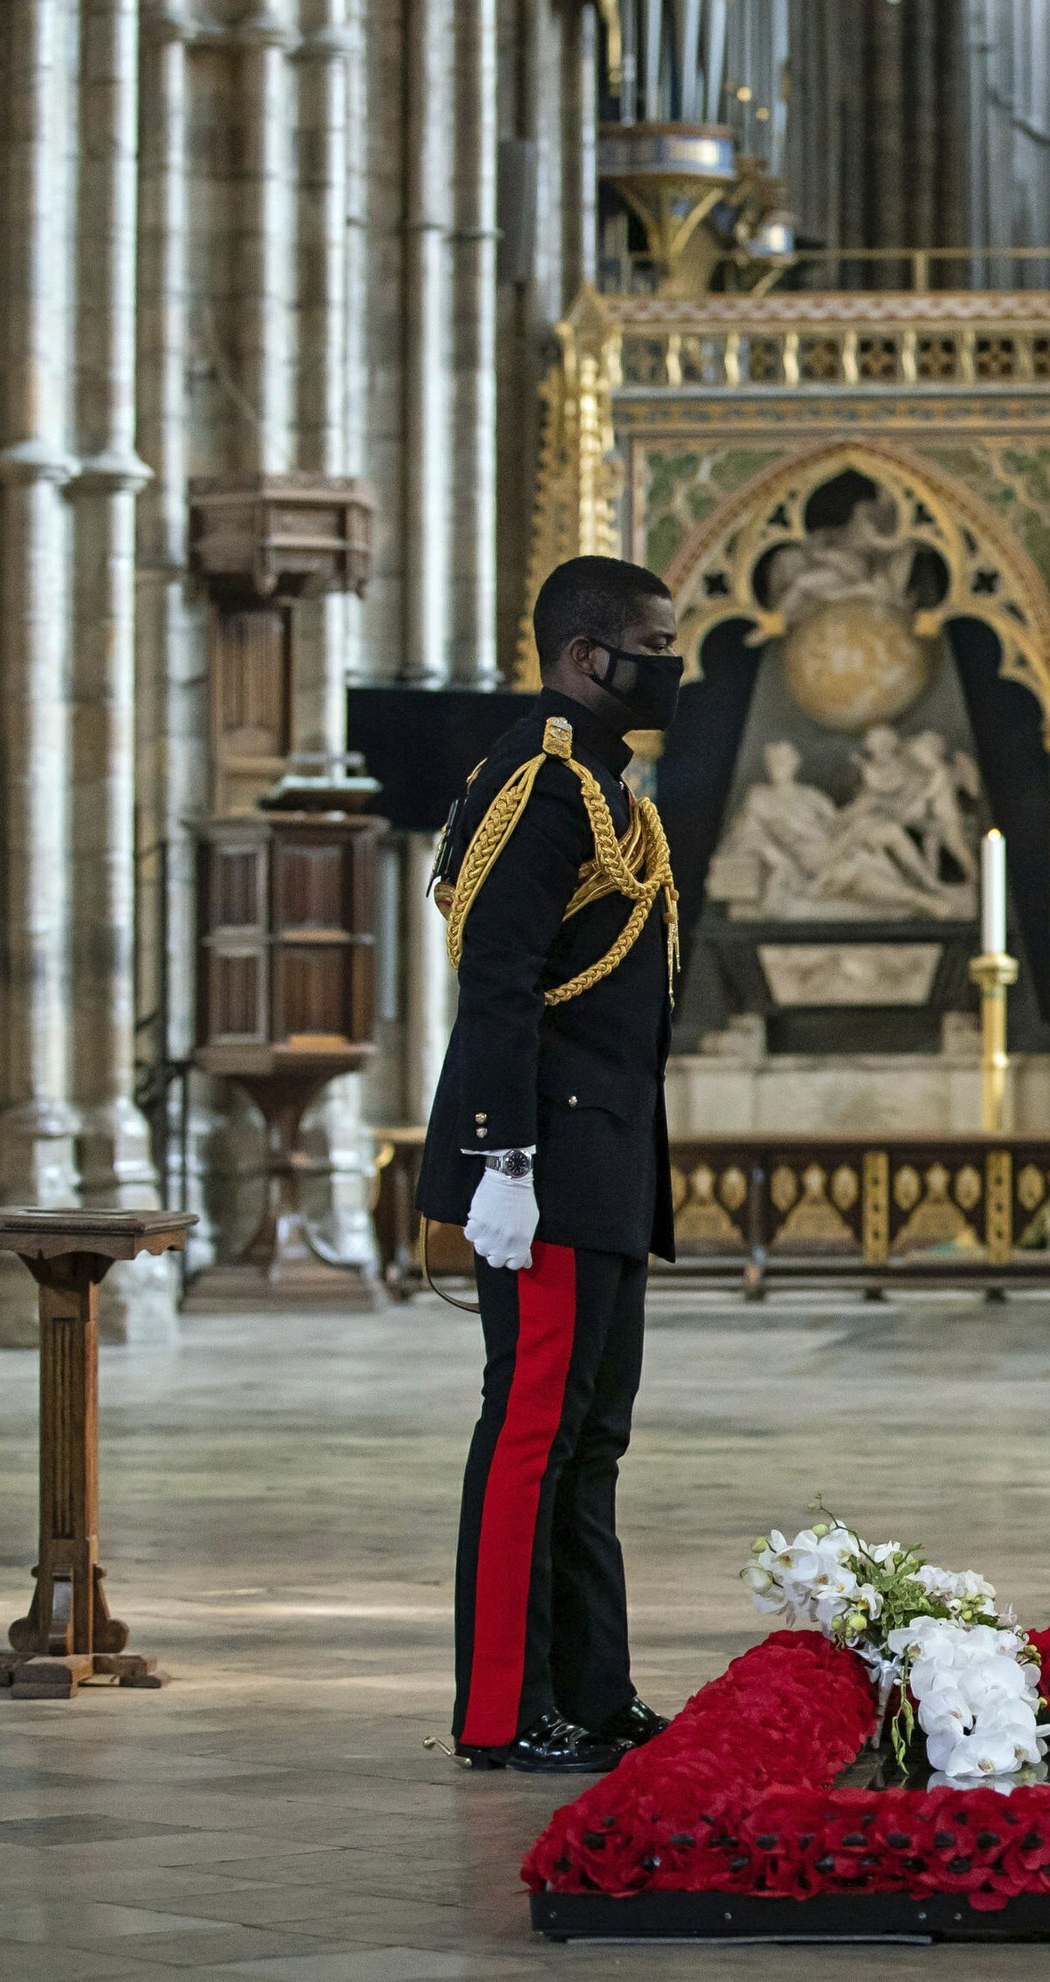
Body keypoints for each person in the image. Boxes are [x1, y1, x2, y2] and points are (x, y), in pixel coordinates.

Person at [419, 555, 686, 1768]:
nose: (670, 671)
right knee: (531, 1428)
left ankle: (593, 1684)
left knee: (593, 1435)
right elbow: (498, 982)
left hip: (605, 1159)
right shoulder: (537, 783)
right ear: (589, 657)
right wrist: (503, 1162)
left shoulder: (612, 793)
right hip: (547, 1162)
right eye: (655, 648)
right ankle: (506, 1707)